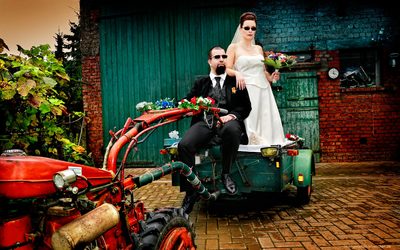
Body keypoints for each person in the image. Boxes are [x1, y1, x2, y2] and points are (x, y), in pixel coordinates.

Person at [178, 46, 252, 214]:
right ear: (209, 61)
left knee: (233, 131)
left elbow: (246, 107)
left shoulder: (236, 82)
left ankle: (226, 174)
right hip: (205, 122)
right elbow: (187, 100)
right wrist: (185, 106)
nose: (221, 59)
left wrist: (232, 116)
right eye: (217, 56)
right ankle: (192, 190)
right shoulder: (201, 82)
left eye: (224, 56)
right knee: (184, 145)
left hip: (227, 121)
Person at [226, 12, 285, 146]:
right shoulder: (233, 47)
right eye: (247, 28)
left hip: (264, 89)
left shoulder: (258, 48)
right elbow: (227, 69)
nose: (250, 31)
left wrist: (272, 77)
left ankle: (271, 148)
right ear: (240, 29)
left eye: (253, 28)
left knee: (267, 119)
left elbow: (263, 71)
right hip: (247, 90)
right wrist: (237, 73)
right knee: (252, 120)